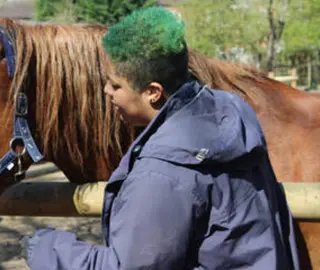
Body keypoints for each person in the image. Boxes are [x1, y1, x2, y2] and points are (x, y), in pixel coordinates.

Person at [21, 6, 300, 270]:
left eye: (116, 84)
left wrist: (47, 247)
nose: (106, 91)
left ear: (153, 92)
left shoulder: (163, 171)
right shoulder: (232, 113)